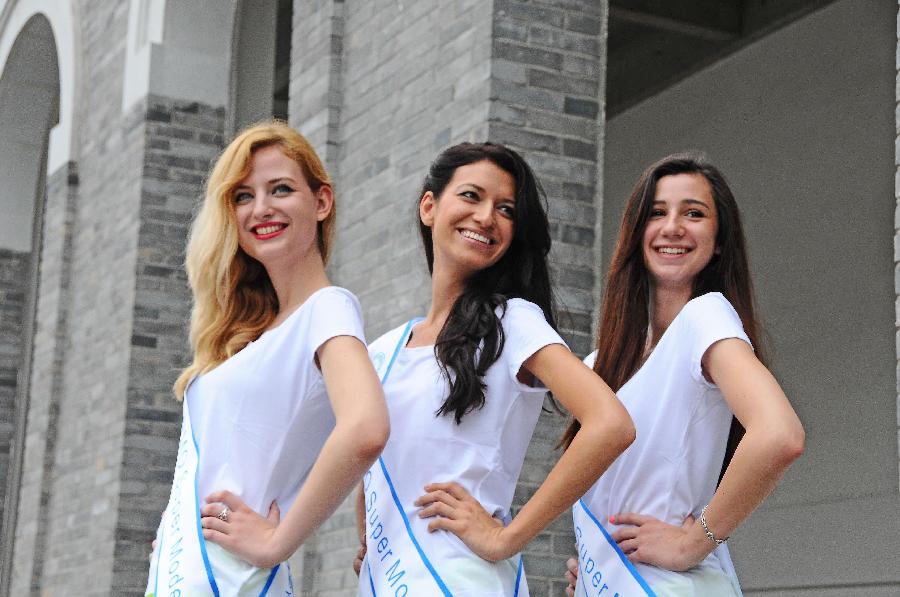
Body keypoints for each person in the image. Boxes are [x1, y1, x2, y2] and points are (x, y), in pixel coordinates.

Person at [355, 142, 635, 596]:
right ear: (429, 206)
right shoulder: (383, 350)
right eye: (471, 196)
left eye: (505, 209)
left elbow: (611, 424)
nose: (486, 217)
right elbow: (367, 453)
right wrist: (369, 532)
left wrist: (506, 537)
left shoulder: (513, 322)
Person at [145, 121, 389, 596]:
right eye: (241, 196)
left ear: (321, 202)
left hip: (234, 580)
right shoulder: (251, 335)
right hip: (184, 576)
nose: (261, 209)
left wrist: (278, 540)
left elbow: (366, 428)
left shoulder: (328, 308)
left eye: (280, 189)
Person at [562, 153, 805, 596]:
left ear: (718, 243)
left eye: (693, 213)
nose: (672, 226)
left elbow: (779, 435)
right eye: (656, 213)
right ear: (636, 235)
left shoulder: (705, 319)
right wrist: (598, 568)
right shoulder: (598, 366)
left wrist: (691, 544)